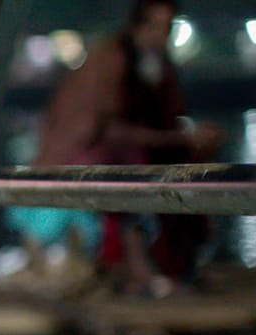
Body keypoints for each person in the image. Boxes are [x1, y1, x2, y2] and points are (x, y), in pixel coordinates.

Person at [22, 0, 225, 293]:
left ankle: (178, 266)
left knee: (183, 166)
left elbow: (168, 114)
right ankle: (137, 269)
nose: (161, 34)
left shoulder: (156, 63)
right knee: (131, 174)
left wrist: (190, 137)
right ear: (137, 25)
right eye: (154, 25)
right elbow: (103, 127)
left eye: (167, 27)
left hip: (128, 148)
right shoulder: (112, 59)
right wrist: (175, 137)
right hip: (85, 155)